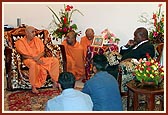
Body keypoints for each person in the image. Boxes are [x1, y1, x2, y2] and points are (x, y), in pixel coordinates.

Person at [15, 26, 60, 94]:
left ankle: (55, 81)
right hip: (28, 59)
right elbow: (23, 55)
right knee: (34, 64)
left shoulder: (37, 40)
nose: (34, 33)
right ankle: (34, 86)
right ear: (27, 33)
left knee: (55, 61)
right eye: (32, 32)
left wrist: (38, 57)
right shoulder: (20, 42)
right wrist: (35, 59)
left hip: (39, 58)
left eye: (35, 31)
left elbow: (43, 52)